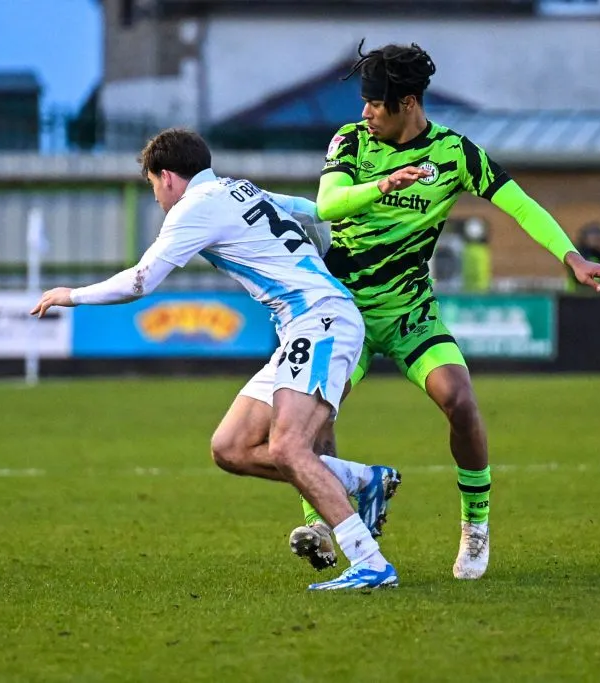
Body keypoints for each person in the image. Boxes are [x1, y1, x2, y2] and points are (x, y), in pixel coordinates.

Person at [287, 40, 600, 581]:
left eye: (376, 103)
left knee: (460, 401)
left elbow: (520, 204)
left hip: (411, 313)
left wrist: (572, 256)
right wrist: (384, 183)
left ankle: (476, 525)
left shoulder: (454, 154)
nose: (365, 112)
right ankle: (325, 523)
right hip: (342, 311)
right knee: (315, 416)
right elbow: (328, 204)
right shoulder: (350, 142)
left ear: (409, 102)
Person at [31, 128, 401, 590]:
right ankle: (362, 480)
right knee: (231, 447)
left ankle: (370, 561)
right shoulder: (237, 187)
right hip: (305, 324)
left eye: (151, 186)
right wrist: (372, 197)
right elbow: (308, 209)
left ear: (167, 177)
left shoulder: (194, 207)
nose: (157, 197)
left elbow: (140, 281)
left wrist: (73, 295)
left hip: (319, 319)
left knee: (288, 447)